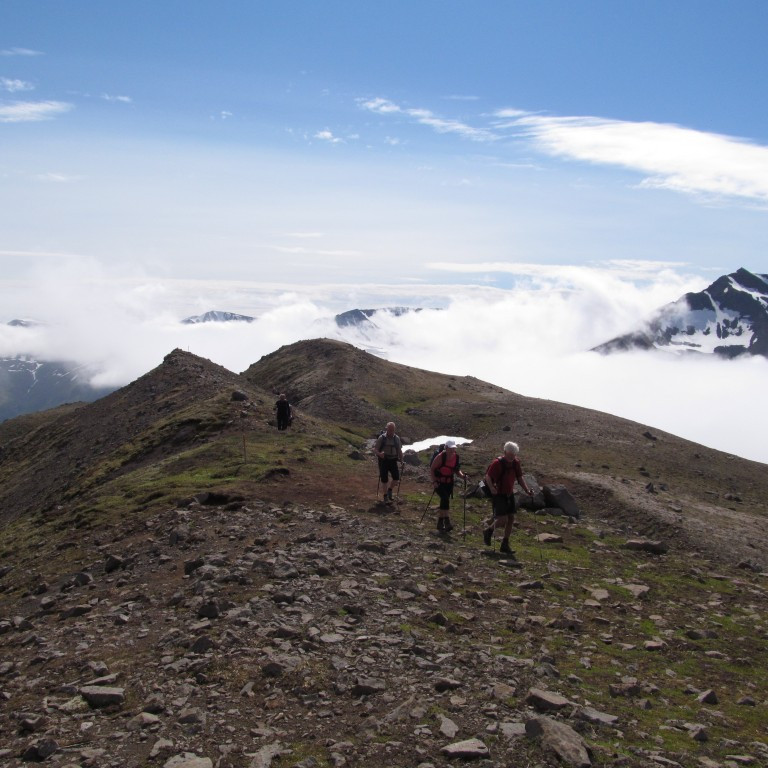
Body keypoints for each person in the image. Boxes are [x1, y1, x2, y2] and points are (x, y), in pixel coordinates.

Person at [483, 441, 534, 555]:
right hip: (499, 494)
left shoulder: (516, 463)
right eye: (510, 455)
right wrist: (491, 488)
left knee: (511, 518)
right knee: (503, 519)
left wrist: (527, 490)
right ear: (505, 452)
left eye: (514, 455)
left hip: (509, 493)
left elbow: (520, 477)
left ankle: (505, 544)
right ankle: (488, 531)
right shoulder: (497, 463)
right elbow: (488, 477)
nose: (512, 457)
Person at [430, 439, 467, 533]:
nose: (452, 450)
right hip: (439, 482)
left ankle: (440, 523)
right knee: (445, 499)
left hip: (449, 483)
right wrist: (434, 482)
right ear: (446, 448)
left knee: (445, 501)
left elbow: (456, 470)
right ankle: (447, 521)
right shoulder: (440, 457)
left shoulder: (456, 457)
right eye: (450, 448)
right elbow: (432, 469)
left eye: (453, 448)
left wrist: (462, 476)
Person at [375, 422, 403, 501]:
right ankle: (385, 496)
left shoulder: (396, 438)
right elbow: (375, 449)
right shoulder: (382, 438)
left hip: (393, 460)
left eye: (393, 430)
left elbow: (399, 450)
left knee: (396, 478)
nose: (391, 431)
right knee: (384, 479)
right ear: (386, 429)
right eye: (390, 429)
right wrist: (380, 454)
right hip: (383, 460)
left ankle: (390, 490)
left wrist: (401, 460)